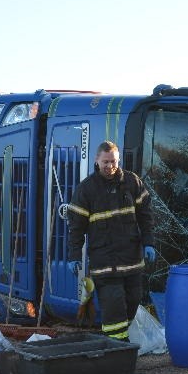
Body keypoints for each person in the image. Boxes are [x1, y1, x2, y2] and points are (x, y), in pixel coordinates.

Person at [66, 141, 155, 341]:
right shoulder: (86, 190)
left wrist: (149, 243)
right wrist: (74, 255)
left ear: (119, 160)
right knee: (114, 310)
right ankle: (116, 351)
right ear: (96, 161)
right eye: (105, 162)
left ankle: (121, 349)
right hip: (104, 264)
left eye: (113, 161)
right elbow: (76, 228)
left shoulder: (132, 182)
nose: (110, 166)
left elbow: (146, 216)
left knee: (132, 302)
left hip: (132, 261)